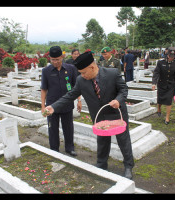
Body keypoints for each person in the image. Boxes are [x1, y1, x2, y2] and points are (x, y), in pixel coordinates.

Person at [43, 51, 135, 180]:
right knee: (102, 141)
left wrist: (118, 100)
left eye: (84, 72)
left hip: (116, 113)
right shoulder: (81, 80)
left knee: (123, 140)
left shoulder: (112, 73)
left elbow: (123, 89)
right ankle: (102, 164)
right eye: (80, 73)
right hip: (99, 115)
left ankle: (128, 166)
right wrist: (53, 106)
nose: (82, 75)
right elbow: (70, 96)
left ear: (92, 67)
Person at [41, 46, 82, 156]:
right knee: (52, 129)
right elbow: (44, 89)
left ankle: (69, 148)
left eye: (57, 59)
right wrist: (43, 106)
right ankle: (54, 149)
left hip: (67, 104)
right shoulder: (46, 71)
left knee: (68, 127)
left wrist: (79, 100)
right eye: (53, 60)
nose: (55, 62)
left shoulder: (70, 68)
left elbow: (76, 86)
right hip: (51, 105)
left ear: (62, 57)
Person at [152, 47, 175, 124]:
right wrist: (154, 83)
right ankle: (159, 108)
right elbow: (156, 73)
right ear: (167, 55)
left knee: (169, 101)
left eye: (173, 56)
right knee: (160, 99)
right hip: (162, 84)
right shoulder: (160, 62)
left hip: (170, 85)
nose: (171, 58)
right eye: (170, 56)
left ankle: (167, 117)